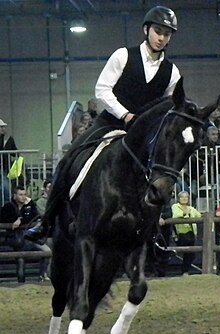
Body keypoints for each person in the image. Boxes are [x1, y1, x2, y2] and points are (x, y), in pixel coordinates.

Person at [25, 5, 180, 243]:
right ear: (146, 30)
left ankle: (154, 232)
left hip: (141, 137)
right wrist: (125, 114)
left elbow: (168, 106)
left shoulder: (172, 73)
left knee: (162, 174)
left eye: (167, 34)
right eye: (158, 31)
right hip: (109, 123)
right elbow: (102, 89)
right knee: (69, 158)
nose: (161, 37)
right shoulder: (123, 55)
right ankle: (46, 220)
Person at [1, 186, 51, 280]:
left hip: (29, 238)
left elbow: (36, 217)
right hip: (16, 239)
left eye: (25, 194)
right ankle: (21, 282)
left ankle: (42, 275)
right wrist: (15, 220)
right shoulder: (8, 206)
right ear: (15, 195)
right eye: (20, 194)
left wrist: (21, 219)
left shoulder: (30, 205)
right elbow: (3, 218)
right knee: (20, 261)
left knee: (47, 251)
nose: (23, 197)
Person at [171, 191, 202, 275]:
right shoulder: (175, 206)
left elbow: (199, 215)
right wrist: (185, 214)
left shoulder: (191, 208)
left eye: (186, 197)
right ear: (178, 199)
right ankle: (184, 271)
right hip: (181, 234)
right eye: (182, 197)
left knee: (191, 254)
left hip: (191, 233)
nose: (184, 198)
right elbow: (176, 215)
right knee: (188, 251)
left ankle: (185, 271)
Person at [0, 118, 17, 206]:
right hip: (3, 168)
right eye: (1, 127)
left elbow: (15, 153)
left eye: (3, 127)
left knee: (6, 189)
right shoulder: (6, 140)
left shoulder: (8, 140)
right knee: (5, 189)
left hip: (5, 168)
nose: (3, 129)